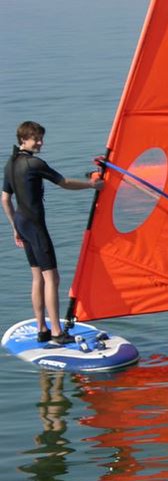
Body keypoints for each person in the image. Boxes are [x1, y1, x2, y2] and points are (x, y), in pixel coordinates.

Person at [2, 121, 102, 345]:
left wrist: (15, 228)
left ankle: (42, 329)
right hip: (35, 226)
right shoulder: (34, 163)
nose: (40, 142)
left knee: (37, 276)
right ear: (23, 140)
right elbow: (64, 182)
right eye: (36, 138)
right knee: (52, 278)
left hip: (22, 223)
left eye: (41, 138)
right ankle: (57, 332)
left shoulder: (10, 163)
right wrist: (92, 185)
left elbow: (5, 199)